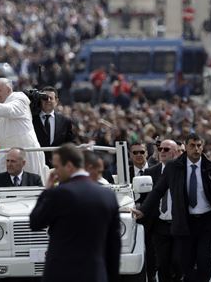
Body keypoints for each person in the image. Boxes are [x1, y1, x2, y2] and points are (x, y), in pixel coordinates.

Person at [134, 133, 211, 282]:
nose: (196, 149)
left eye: (199, 145)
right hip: (185, 221)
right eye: (192, 146)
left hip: (206, 222)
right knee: (184, 264)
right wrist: (143, 211)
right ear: (186, 147)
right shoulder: (174, 167)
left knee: (204, 262)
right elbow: (158, 191)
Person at [29, 143, 121, 282]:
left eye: (57, 167)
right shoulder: (107, 195)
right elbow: (114, 246)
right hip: (95, 274)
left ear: (69, 166)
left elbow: (35, 222)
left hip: (61, 274)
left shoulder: (58, 194)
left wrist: (47, 190)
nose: (55, 172)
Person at [142, 139, 182, 282]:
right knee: (163, 265)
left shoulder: (184, 171)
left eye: (167, 149)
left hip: (179, 225)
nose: (162, 152)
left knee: (178, 263)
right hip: (159, 225)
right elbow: (145, 199)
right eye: (160, 149)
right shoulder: (150, 172)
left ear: (176, 153)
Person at [32, 86, 74, 165]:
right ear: (40, 100)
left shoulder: (65, 121)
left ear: (56, 101)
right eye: (45, 98)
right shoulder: (31, 120)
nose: (48, 100)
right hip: (36, 163)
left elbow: (70, 142)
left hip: (58, 165)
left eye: (51, 98)